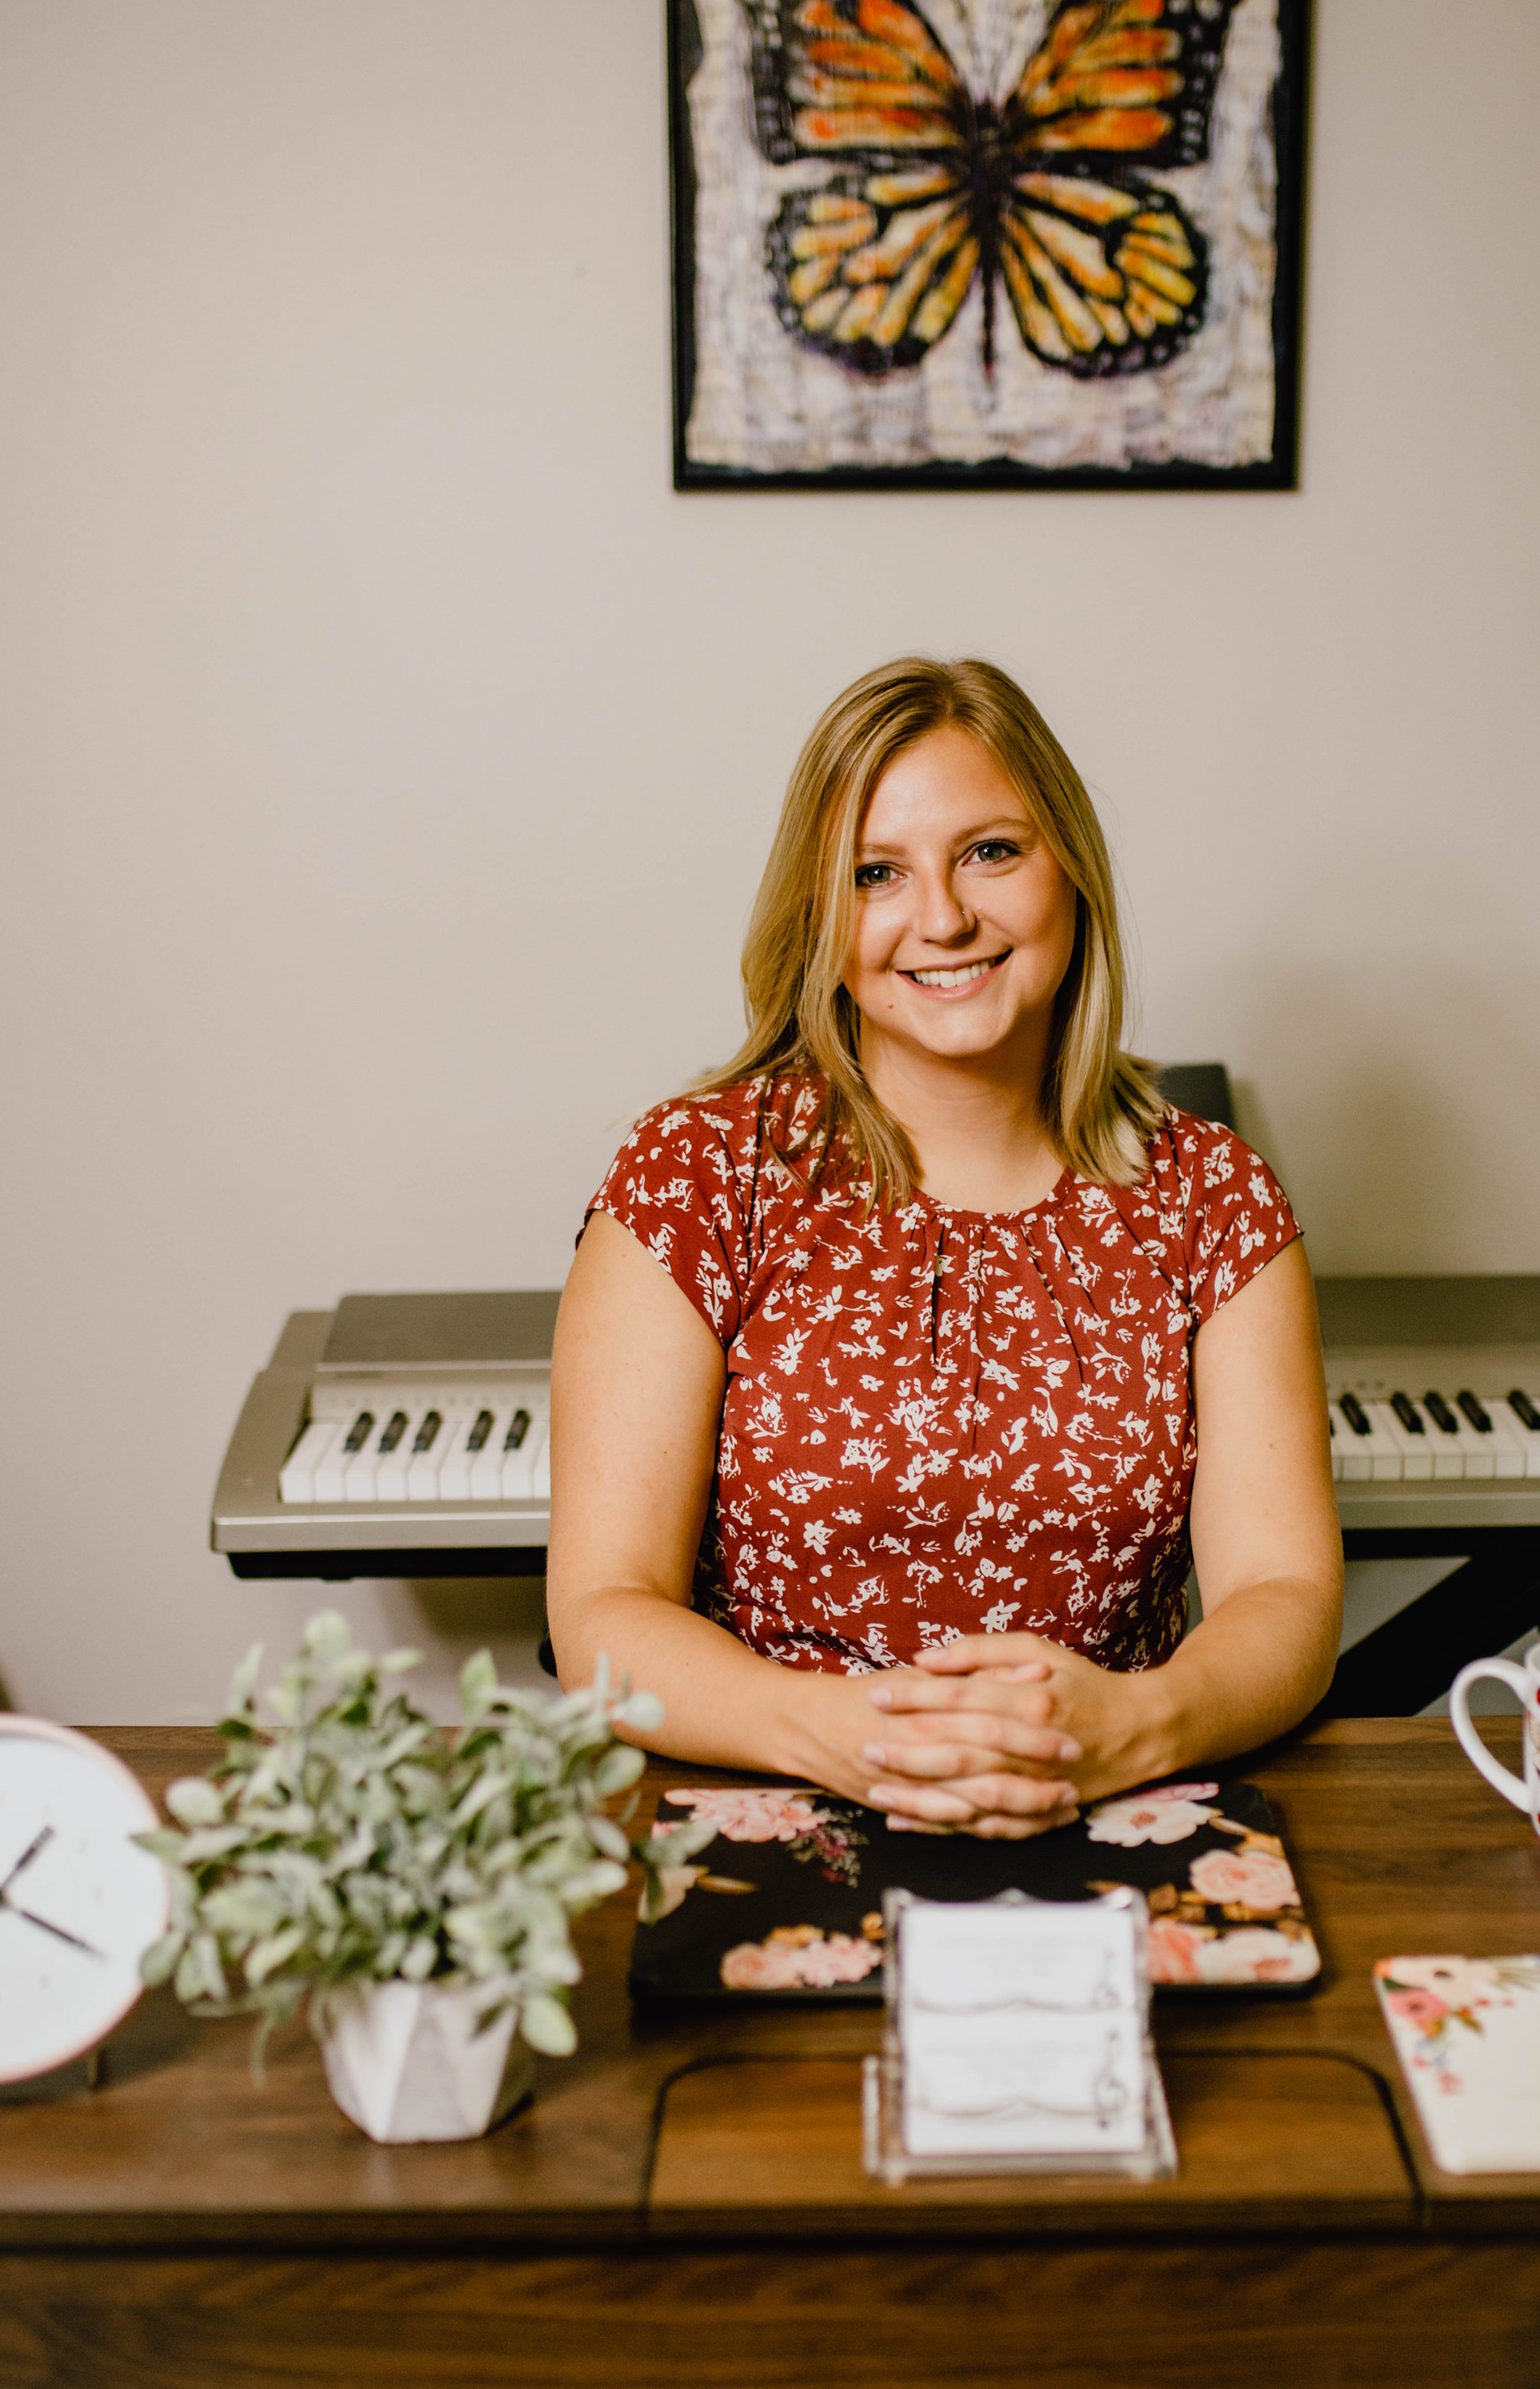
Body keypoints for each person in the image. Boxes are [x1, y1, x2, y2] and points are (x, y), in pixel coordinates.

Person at [547, 659, 1341, 1839]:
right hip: (780, 1808)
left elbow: (1286, 1597)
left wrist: (1139, 1726)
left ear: (1069, 863)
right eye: (877, 874)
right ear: (823, 915)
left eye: (990, 852)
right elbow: (604, 1613)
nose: (944, 918)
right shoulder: (697, 1176)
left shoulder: (1212, 1198)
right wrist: (846, 1735)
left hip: (1115, 1808)